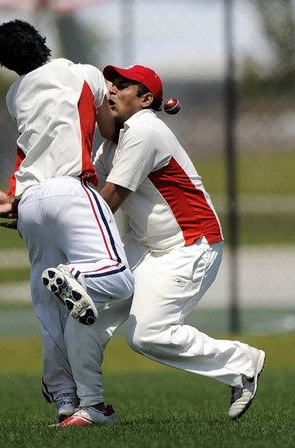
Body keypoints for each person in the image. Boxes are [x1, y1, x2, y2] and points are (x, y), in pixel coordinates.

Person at [0, 20, 134, 426]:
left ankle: (70, 401)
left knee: (52, 310)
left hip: (29, 202)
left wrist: (11, 201)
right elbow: (109, 129)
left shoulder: (16, 93)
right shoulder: (83, 73)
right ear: (41, 41)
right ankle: (72, 274)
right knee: (117, 279)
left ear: (6, 64)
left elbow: (31, 149)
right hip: (70, 190)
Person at [90, 64, 266, 421]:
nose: (111, 90)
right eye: (110, 83)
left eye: (122, 85)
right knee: (85, 313)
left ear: (146, 100)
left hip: (189, 244)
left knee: (147, 335)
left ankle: (242, 362)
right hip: (146, 243)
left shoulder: (143, 129)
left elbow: (106, 201)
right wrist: (23, 205)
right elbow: (84, 195)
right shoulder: (113, 145)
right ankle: (85, 404)